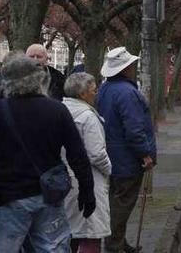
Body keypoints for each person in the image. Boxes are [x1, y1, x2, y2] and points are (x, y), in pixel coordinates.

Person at [0, 54, 96, 252]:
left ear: (6, 82)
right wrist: (87, 191)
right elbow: (77, 155)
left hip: (9, 196)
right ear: (38, 79)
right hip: (49, 194)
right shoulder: (57, 110)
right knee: (53, 248)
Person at [97, 47, 156, 253]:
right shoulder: (128, 93)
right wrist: (145, 154)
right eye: (131, 65)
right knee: (122, 204)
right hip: (126, 159)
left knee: (115, 200)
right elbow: (134, 129)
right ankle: (114, 245)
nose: (134, 67)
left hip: (110, 156)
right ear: (126, 69)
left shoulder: (104, 89)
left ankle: (119, 242)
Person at [63, 73, 112, 253]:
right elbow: (97, 154)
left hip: (65, 179)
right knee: (91, 232)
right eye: (93, 90)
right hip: (89, 180)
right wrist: (108, 169)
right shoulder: (88, 117)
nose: (96, 93)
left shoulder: (61, 110)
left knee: (70, 232)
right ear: (83, 94)